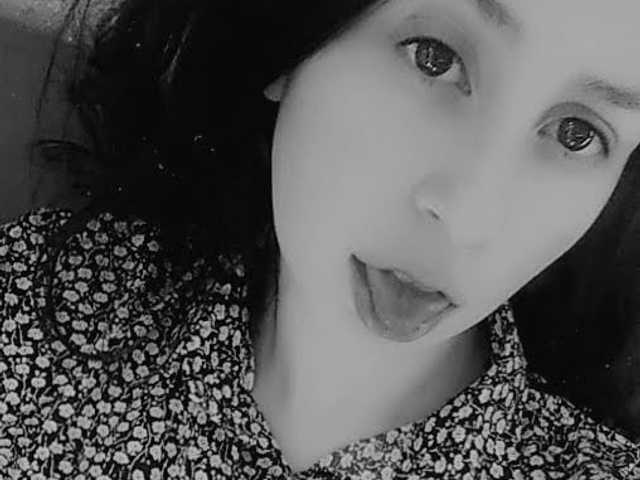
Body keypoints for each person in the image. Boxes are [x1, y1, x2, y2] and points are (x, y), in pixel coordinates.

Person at [1, 0, 640, 478]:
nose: (471, 217)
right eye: (434, 57)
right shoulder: (33, 305)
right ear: (288, 44)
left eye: (577, 134)